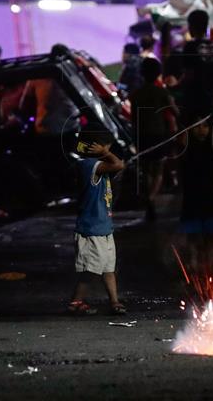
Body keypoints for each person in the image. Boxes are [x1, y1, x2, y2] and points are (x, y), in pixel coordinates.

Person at [69, 127, 127, 316]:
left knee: (108, 268)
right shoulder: (88, 165)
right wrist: (107, 154)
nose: (109, 148)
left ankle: (114, 301)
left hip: (104, 228)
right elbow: (118, 165)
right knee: (92, 269)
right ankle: (76, 301)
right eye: (106, 146)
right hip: (91, 229)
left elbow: (117, 167)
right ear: (96, 147)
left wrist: (108, 155)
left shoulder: (97, 165)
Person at [128, 58, 178, 221]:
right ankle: (151, 198)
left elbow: (134, 118)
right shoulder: (162, 92)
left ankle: (149, 198)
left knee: (147, 170)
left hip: (142, 135)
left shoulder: (135, 94)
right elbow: (175, 111)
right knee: (158, 170)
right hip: (158, 135)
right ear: (158, 73)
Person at [178, 113, 213, 274]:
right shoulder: (186, 147)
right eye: (197, 126)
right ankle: (193, 265)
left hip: (210, 197)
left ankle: (210, 267)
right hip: (192, 198)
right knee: (193, 237)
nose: (201, 130)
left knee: (212, 236)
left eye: (205, 126)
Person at [181, 10, 213, 119]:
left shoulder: (190, 46)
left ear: (192, 26)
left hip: (194, 99)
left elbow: (188, 74)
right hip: (211, 99)